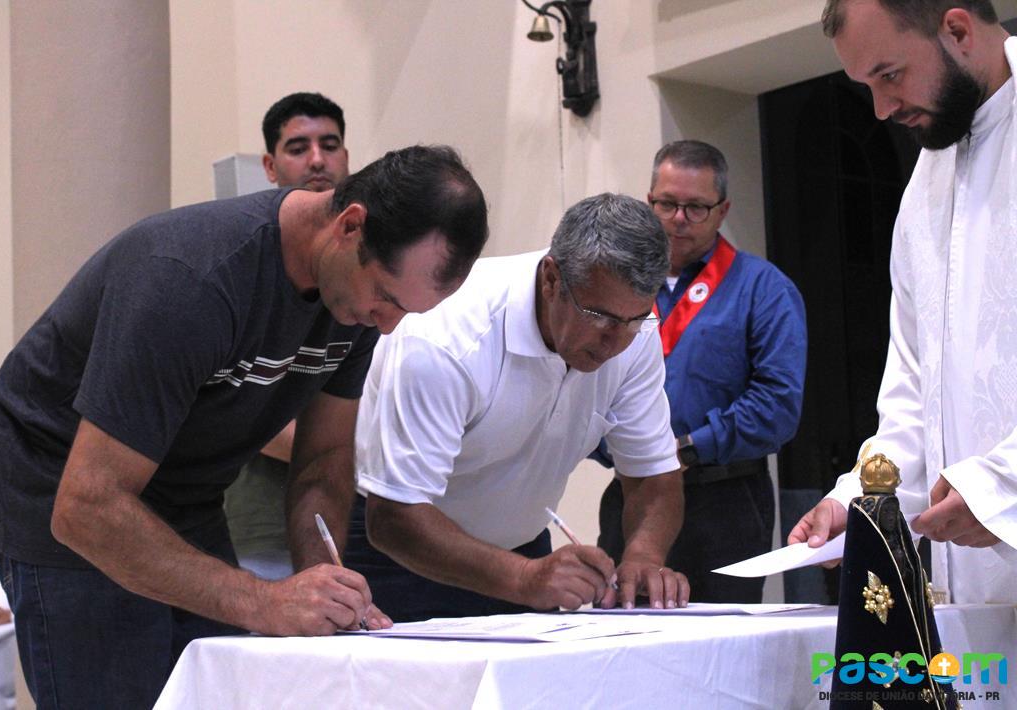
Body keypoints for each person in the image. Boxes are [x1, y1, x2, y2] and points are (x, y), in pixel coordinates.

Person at [0, 144, 489, 709]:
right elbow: (88, 505)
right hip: (63, 488)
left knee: (224, 690)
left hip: (185, 492)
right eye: (386, 299)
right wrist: (267, 602)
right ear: (351, 226)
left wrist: (324, 582)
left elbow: (324, 459)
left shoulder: (354, 301)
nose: (389, 324)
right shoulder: (189, 280)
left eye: (407, 312)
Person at [346, 193, 691, 622]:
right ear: (551, 279)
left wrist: (644, 555)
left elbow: (653, 474)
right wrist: (524, 579)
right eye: (599, 316)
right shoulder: (445, 335)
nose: (615, 341)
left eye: (635, 319)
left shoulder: (633, 333)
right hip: (402, 556)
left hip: (523, 555)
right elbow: (394, 515)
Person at [789, 0, 1017, 604]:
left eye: (889, 76)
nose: (882, 109)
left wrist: (1001, 489)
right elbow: (916, 392)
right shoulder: (927, 183)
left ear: (958, 29)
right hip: (972, 593)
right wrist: (861, 501)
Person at [595, 140, 807, 603]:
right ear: (649, 200)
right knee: (619, 628)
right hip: (630, 493)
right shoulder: (616, 286)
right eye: (667, 204)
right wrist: (602, 441)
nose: (677, 219)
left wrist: (685, 449)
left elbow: (777, 406)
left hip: (723, 500)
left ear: (723, 208)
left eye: (695, 207)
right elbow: (583, 379)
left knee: (719, 645)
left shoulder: (763, 288)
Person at [224, 91, 350, 580]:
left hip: (349, 518)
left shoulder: (362, 260)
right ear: (270, 166)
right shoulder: (250, 260)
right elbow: (241, 408)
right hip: (263, 525)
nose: (317, 159)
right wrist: (359, 460)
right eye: (298, 148)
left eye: (330, 144)